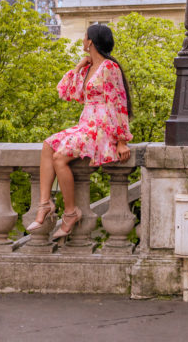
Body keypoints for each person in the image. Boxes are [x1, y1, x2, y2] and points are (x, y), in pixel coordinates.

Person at [27, 23, 133, 240]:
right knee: (49, 144)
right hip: (86, 123)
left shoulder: (109, 68)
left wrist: (122, 140)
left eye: (85, 38)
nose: (83, 41)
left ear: (90, 42)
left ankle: (70, 212)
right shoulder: (88, 68)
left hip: (102, 127)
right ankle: (45, 204)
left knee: (60, 157)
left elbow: (119, 102)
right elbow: (65, 92)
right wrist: (78, 66)